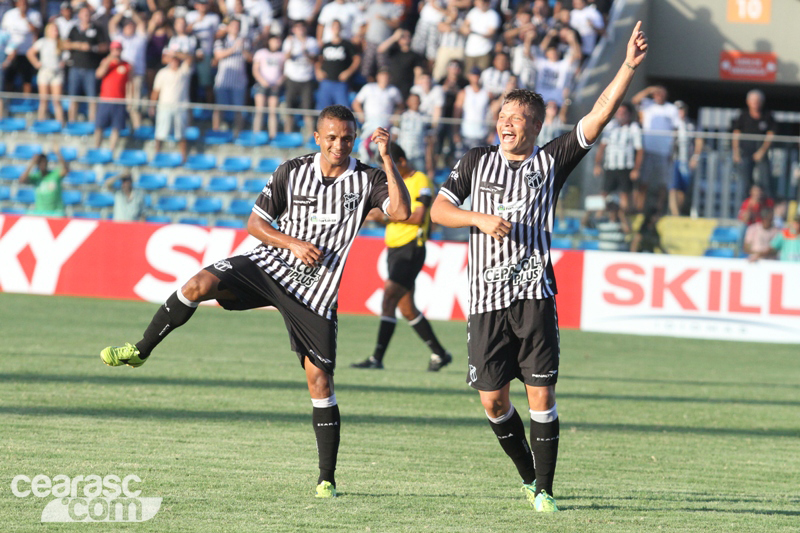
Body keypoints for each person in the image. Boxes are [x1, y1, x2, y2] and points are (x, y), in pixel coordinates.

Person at [100, 105, 412, 500]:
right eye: (331, 137)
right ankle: (141, 349)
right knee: (198, 284)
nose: (339, 144)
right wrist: (292, 243)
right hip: (269, 265)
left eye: (347, 138)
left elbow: (402, 211)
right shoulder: (292, 170)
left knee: (319, 380)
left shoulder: (367, 179)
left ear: (355, 139)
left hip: (316, 291)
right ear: (317, 137)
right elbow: (255, 224)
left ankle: (326, 478)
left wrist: (386, 157)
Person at [430, 21, 648, 512]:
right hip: (485, 301)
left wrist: (629, 66)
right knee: (493, 402)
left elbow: (599, 112)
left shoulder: (552, 162)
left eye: (519, 117)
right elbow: (439, 211)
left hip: (533, 297)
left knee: (541, 398)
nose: (507, 122)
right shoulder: (474, 161)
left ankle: (545, 490)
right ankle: (529, 474)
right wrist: (478, 219)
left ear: (536, 126)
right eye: (503, 114)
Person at [352, 143, 452, 371]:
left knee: (388, 299)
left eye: (392, 165)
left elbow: (418, 216)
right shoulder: (395, 184)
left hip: (411, 248)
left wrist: (386, 218)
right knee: (407, 308)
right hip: (395, 249)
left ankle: (376, 358)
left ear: (403, 162)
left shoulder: (421, 181)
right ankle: (440, 353)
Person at [631, 85, 679, 212]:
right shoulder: (648, 105)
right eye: (656, 94)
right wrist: (649, 90)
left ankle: (659, 209)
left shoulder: (671, 109)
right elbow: (634, 100)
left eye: (661, 94)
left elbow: (675, 131)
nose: (658, 96)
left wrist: (672, 151)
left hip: (664, 152)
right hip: (648, 150)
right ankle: (639, 208)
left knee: (662, 183)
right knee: (643, 181)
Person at [593, 102, 642, 213]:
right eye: (618, 112)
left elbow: (640, 150)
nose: (620, 115)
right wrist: (597, 164)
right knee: (604, 193)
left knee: (625, 194)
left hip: (625, 167)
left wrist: (636, 169)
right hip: (610, 165)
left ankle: (624, 221)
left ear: (629, 114)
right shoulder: (611, 126)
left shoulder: (634, 127)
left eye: (623, 112)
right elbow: (602, 147)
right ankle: (595, 219)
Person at [65, 5, 108, 123]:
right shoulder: (74, 29)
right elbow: (65, 44)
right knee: (73, 98)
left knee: (92, 99)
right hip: (75, 68)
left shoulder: (97, 29)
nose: (86, 16)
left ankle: (92, 123)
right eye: (83, 14)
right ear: (79, 15)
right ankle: (72, 123)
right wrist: (79, 45)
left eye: (88, 14)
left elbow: (105, 47)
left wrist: (92, 48)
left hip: (91, 69)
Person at [352, 66, 403, 162]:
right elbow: (356, 103)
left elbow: (400, 106)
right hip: (369, 124)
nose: (385, 79)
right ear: (378, 77)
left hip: (385, 125)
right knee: (365, 147)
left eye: (387, 76)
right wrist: (361, 115)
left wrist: (394, 116)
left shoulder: (393, 91)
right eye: (383, 76)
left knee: (380, 149)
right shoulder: (368, 88)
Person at [109, 5, 147, 130]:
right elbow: (112, 24)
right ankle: (120, 128)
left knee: (134, 105)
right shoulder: (119, 38)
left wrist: (132, 12)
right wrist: (123, 10)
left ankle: (137, 129)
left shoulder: (139, 39)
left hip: (136, 75)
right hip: (120, 76)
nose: (129, 27)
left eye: (131, 25)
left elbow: (141, 23)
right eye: (127, 25)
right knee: (122, 104)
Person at [732, 89, 775, 197]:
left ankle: (767, 211)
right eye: (753, 101)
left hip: (762, 155)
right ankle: (745, 209)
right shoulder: (743, 115)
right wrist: (736, 152)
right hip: (745, 153)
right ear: (748, 102)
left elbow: (771, 135)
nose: (755, 103)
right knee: (745, 183)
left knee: (766, 182)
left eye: (758, 101)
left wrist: (761, 152)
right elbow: (736, 134)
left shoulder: (768, 116)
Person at [152, 50, 192, 162]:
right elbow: (156, 91)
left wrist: (175, 53)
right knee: (160, 133)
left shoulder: (183, 71)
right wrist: (152, 105)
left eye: (176, 59)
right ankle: (157, 155)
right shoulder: (162, 73)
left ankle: (183, 157)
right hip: (164, 107)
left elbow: (189, 59)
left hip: (180, 107)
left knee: (181, 134)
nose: (174, 61)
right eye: (172, 59)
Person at [212, 17, 251, 134]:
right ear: (228, 28)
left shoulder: (245, 41)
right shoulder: (221, 41)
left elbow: (250, 58)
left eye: (237, 26)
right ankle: (216, 132)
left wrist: (243, 48)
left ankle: (238, 133)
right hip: (223, 81)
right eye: (233, 25)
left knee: (238, 109)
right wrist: (234, 48)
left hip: (239, 81)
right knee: (219, 108)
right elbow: (218, 55)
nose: (235, 28)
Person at [282, 20, 318, 139]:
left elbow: (314, 60)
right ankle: (287, 136)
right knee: (289, 110)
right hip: (292, 79)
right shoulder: (289, 41)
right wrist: (292, 47)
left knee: (307, 111)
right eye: (297, 28)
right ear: (294, 30)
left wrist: (305, 52)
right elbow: (286, 57)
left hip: (306, 79)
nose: (300, 30)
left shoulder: (312, 42)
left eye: (302, 27)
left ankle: (311, 138)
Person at [93, 40, 131, 151]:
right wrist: (109, 60)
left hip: (119, 100)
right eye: (114, 49)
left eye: (118, 49)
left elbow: (129, 84)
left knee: (116, 128)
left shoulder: (127, 65)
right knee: (99, 126)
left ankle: (111, 150)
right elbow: (99, 74)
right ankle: (96, 148)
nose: (116, 51)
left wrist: (129, 100)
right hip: (105, 99)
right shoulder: (106, 62)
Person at [315, 19, 359, 110]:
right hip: (326, 81)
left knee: (343, 110)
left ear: (341, 29)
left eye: (338, 27)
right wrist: (318, 71)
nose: (336, 29)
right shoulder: (326, 45)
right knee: (323, 110)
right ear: (331, 29)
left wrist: (348, 72)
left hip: (341, 83)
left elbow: (357, 59)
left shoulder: (347, 44)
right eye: (334, 27)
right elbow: (319, 60)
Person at [668, 101, 703, 216]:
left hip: (686, 160)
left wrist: (695, 157)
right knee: (673, 186)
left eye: (682, 109)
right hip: (673, 159)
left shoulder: (691, 124)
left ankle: (679, 211)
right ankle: (675, 213)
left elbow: (699, 141)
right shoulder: (671, 124)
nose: (680, 112)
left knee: (683, 188)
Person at [27, 22, 66, 124]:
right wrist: (36, 63)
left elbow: (66, 57)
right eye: (53, 29)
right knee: (44, 101)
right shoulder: (42, 42)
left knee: (57, 101)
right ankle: (41, 123)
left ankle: (60, 123)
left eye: (56, 29)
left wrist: (63, 62)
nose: (55, 32)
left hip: (57, 73)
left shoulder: (61, 43)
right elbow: (30, 53)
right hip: (45, 72)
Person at [1, 0, 41, 94]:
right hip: (10, 52)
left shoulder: (34, 14)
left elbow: (36, 31)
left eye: (24, 3)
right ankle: (7, 101)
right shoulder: (9, 14)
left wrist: (25, 18)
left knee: (27, 80)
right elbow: (4, 32)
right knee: (9, 78)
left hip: (27, 52)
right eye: (20, 2)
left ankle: (27, 103)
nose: (23, 5)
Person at [19, 146, 69, 216]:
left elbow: (66, 170)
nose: (42, 165)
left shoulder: (54, 174)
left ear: (47, 163)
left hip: (55, 214)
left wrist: (58, 153)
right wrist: (32, 163)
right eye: (40, 163)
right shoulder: (36, 177)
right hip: (40, 214)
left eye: (44, 162)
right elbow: (22, 180)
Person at [453, 66, 491, 156]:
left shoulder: (487, 93)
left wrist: (491, 133)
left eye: (477, 75)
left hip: (482, 134)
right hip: (466, 133)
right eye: (473, 75)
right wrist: (455, 132)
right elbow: (456, 114)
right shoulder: (464, 93)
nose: (475, 78)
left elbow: (492, 113)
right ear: (469, 76)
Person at [252, 33, 284, 137]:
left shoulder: (281, 55)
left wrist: (279, 82)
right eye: (275, 40)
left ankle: (272, 136)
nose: (277, 43)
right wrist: (262, 81)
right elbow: (255, 70)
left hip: (275, 86)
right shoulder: (261, 53)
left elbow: (284, 71)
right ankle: (256, 135)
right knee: (259, 110)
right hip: (262, 84)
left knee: (273, 112)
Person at [460, 0, 500, 72]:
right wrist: (466, 29)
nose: (476, 3)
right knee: (468, 74)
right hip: (470, 50)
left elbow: (491, 34)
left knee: (482, 73)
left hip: (484, 51)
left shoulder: (493, 15)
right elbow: (464, 27)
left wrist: (474, 32)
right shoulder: (473, 12)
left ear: (486, 3)